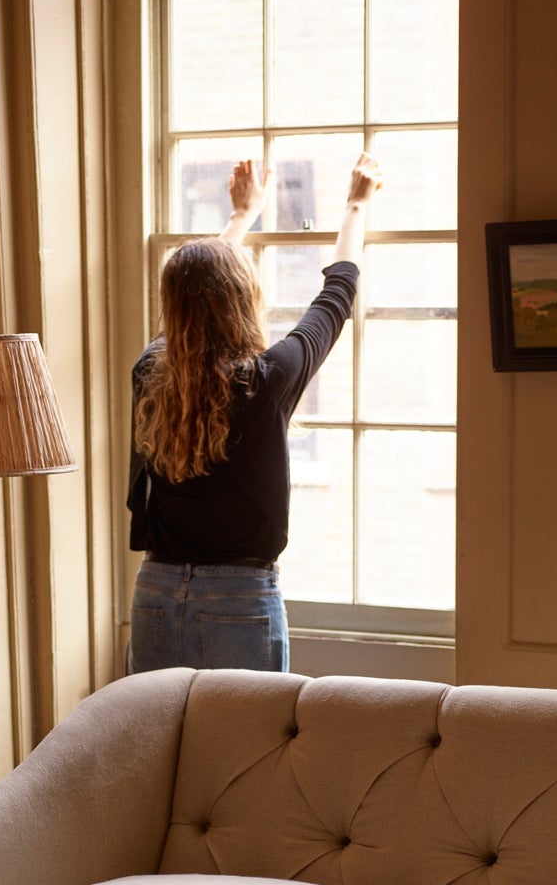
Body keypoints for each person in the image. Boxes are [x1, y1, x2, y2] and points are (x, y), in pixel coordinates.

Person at [125, 152, 382, 674]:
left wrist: (240, 218)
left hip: (154, 593)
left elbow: (195, 289)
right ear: (243, 298)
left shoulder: (151, 371)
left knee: (160, 750)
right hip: (238, 601)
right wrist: (356, 206)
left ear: (170, 307)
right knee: (250, 752)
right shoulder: (267, 379)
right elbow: (336, 295)